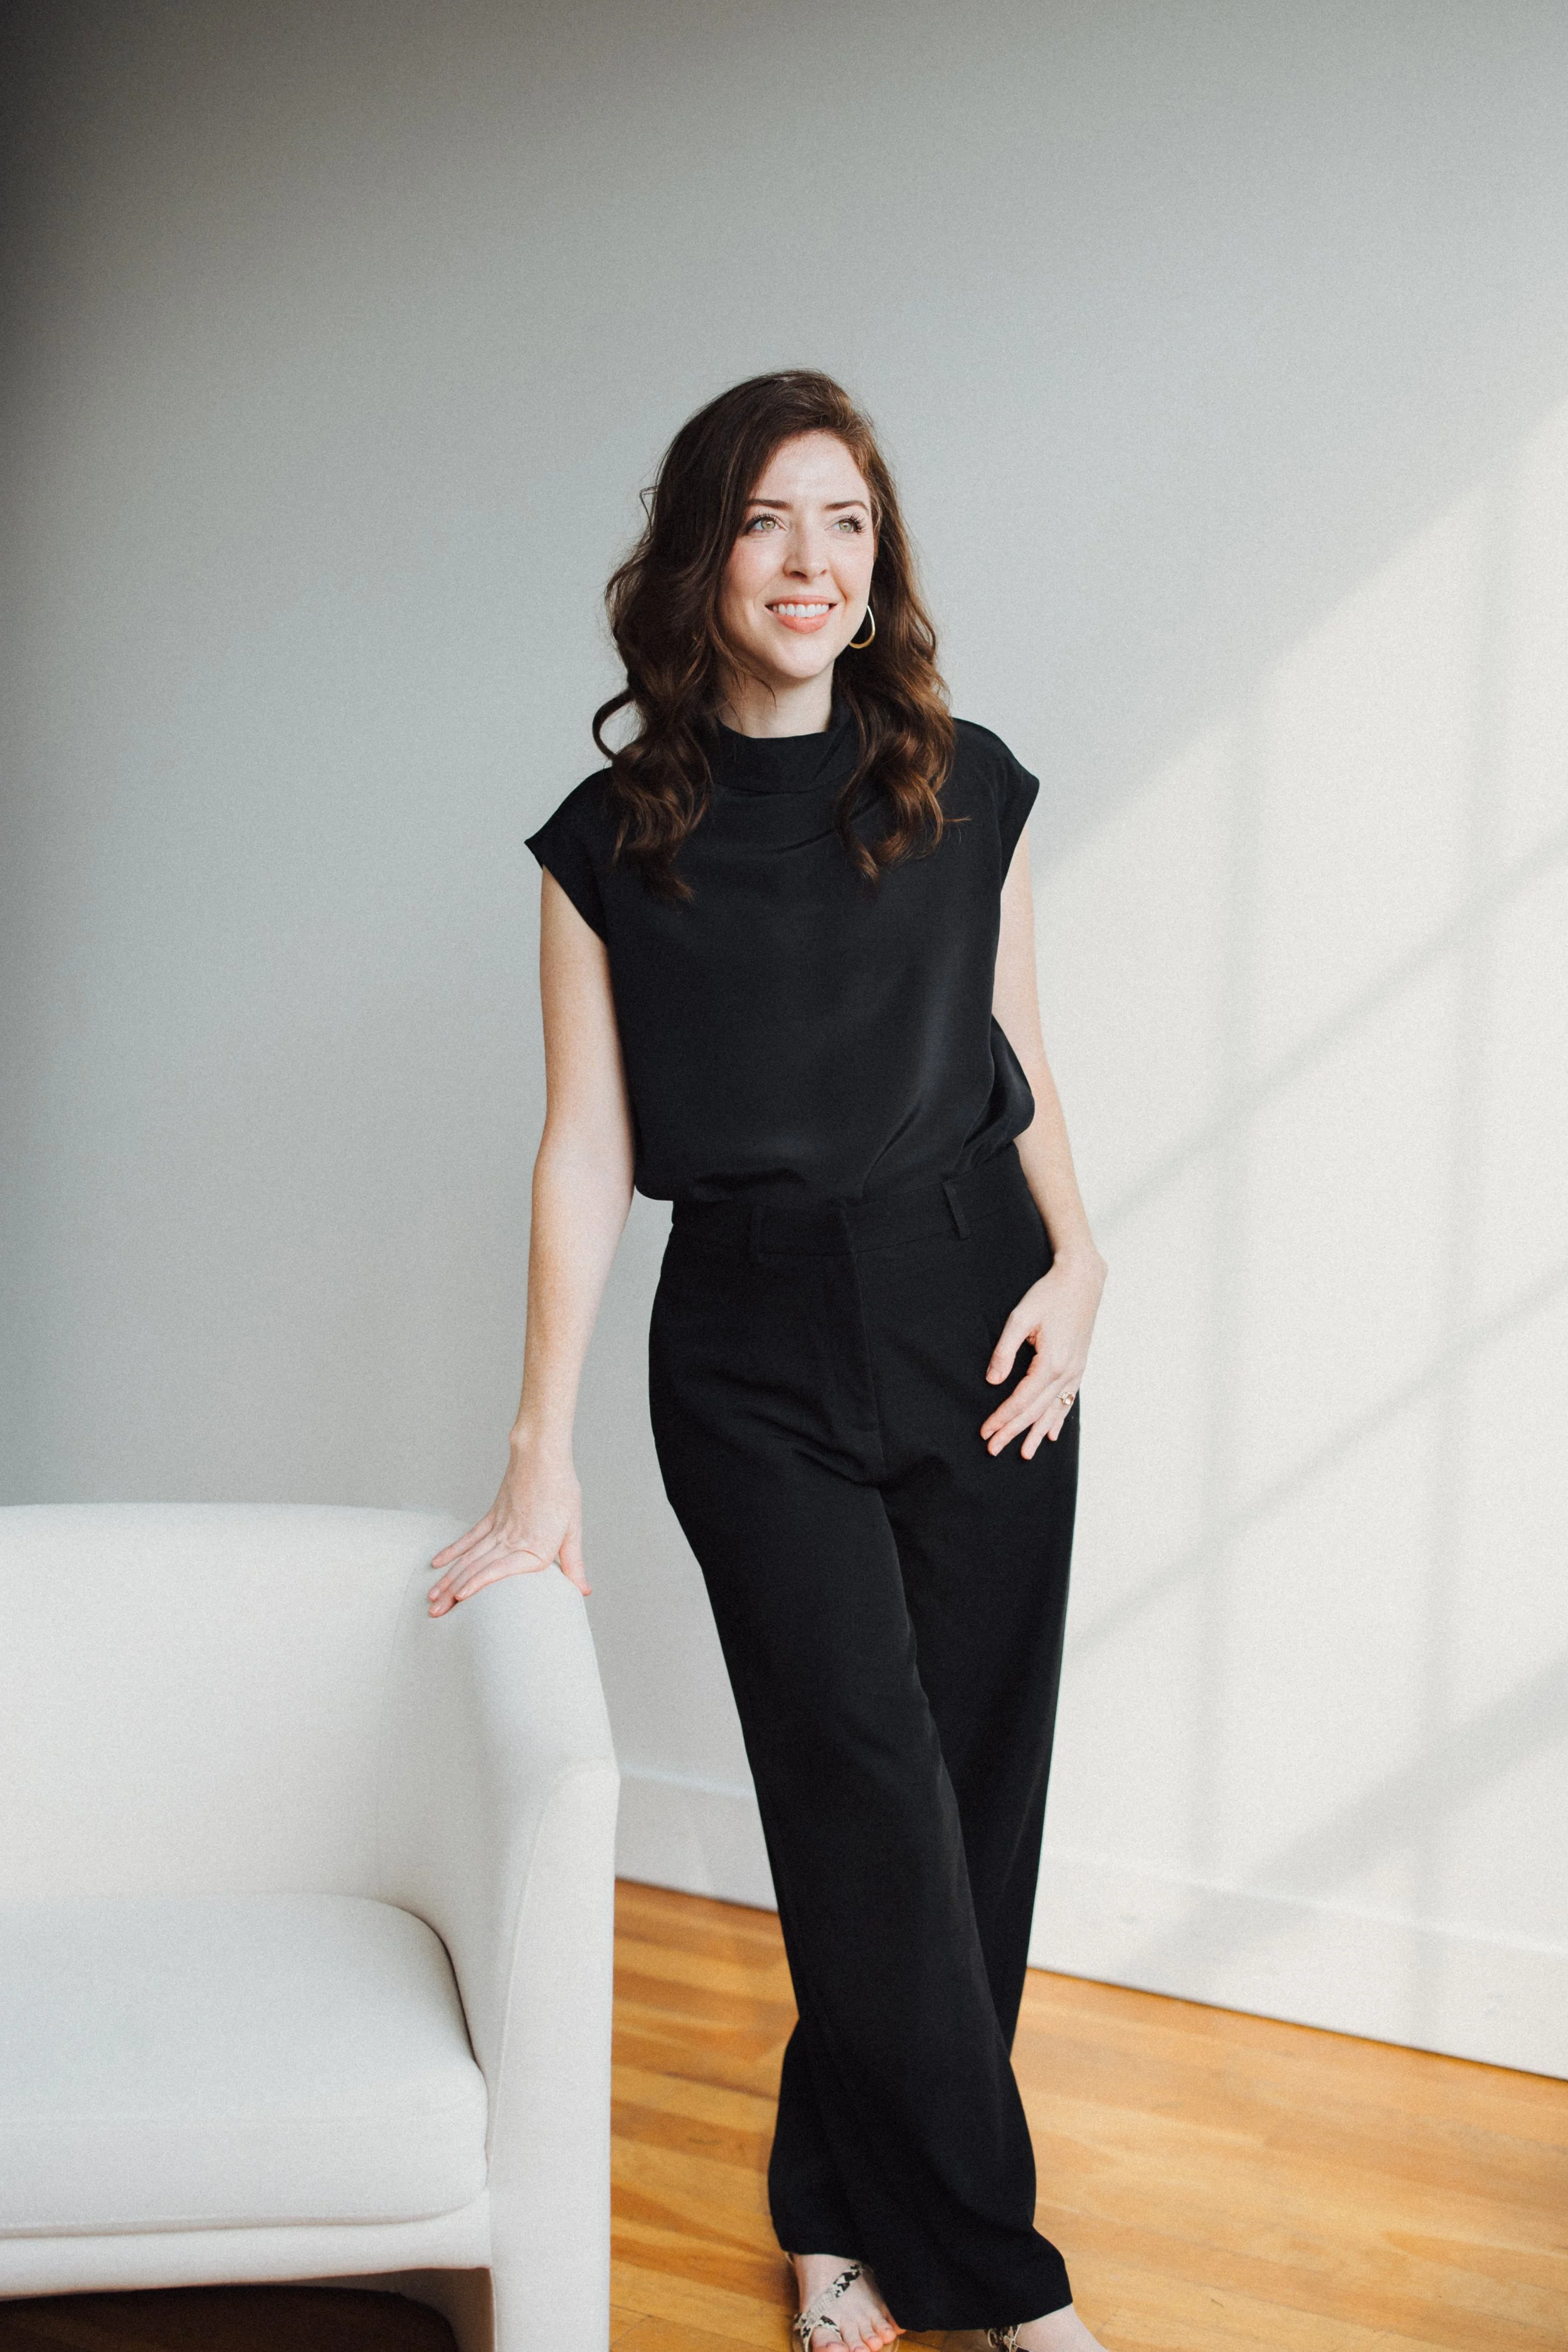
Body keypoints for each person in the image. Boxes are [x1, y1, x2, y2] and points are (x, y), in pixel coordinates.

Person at [426, 371, 1111, 2352]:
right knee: (859, 1792)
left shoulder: (968, 783)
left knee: (967, 1798)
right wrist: (538, 1452)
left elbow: (1021, 1052)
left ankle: (834, 2202)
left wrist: (1085, 1260)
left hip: (980, 1304)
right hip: (746, 1348)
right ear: (700, 555)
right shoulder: (607, 841)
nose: (811, 561)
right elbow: (584, 1149)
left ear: (876, 560)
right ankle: (1008, 2285)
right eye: (765, 520)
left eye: (846, 522)